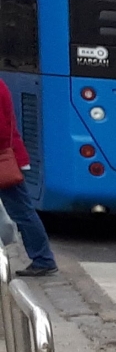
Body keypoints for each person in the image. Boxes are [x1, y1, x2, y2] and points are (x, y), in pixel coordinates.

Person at [0, 76, 53, 277]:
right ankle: (43, 258)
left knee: (22, 211)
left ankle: (43, 258)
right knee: (22, 210)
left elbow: (2, 131)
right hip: (8, 155)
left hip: (4, 158)